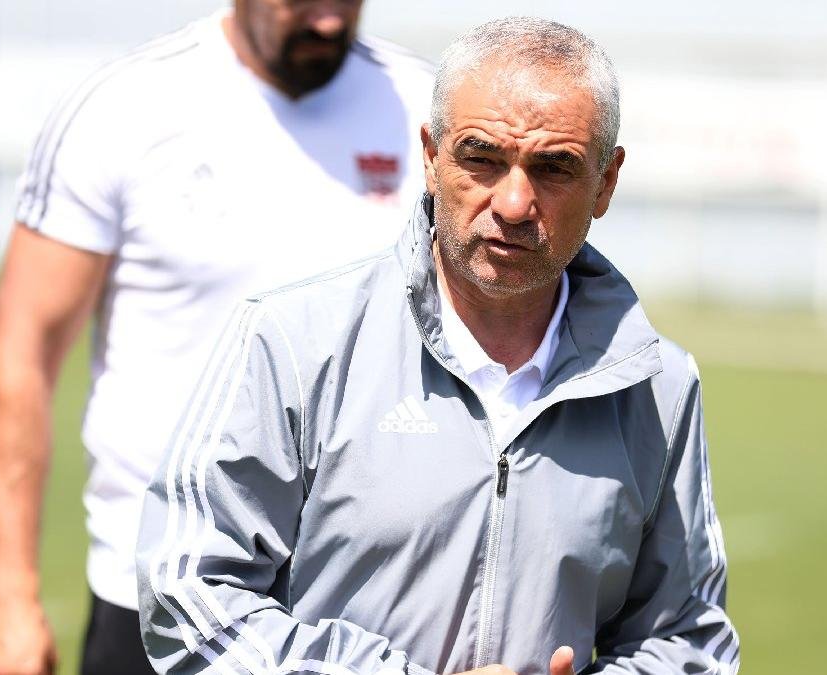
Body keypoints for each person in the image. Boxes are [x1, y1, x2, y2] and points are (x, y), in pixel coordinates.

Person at [136, 16, 740, 675]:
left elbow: (691, 641)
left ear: (606, 182)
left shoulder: (657, 386)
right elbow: (188, 595)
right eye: (482, 157)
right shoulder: (293, 341)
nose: (514, 202)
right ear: (430, 156)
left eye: (554, 168)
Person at [0, 1, 433, 673]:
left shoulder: (425, 108)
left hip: (365, 609)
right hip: (156, 597)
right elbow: (22, 356)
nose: (330, 22)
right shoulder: (122, 109)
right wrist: (8, 596)